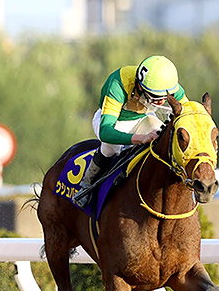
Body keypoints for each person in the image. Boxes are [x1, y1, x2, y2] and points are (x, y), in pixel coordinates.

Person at [73, 55, 189, 207]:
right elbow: (106, 131)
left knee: (164, 140)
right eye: (156, 97)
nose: (162, 101)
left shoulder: (167, 86)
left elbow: (188, 116)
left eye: (165, 97)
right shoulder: (118, 83)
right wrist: (140, 138)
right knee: (110, 147)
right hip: (114, 120)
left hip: (144, 117)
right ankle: (87, 184)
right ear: (140, 86)